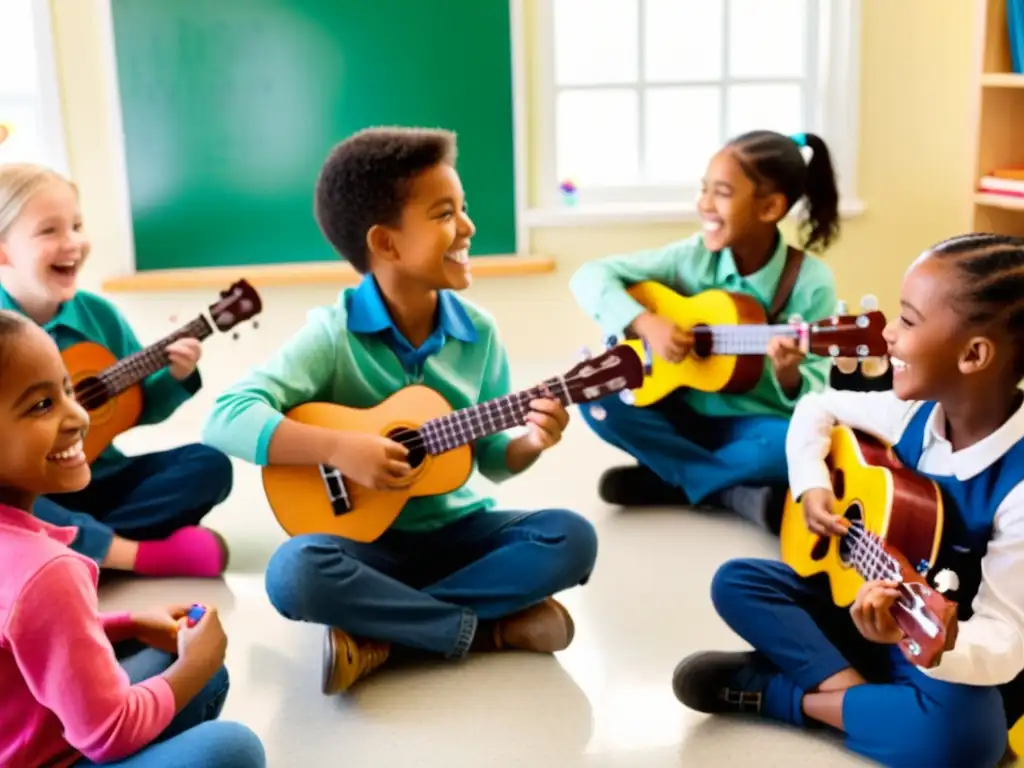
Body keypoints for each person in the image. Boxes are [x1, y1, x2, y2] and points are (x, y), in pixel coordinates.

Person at [202, 126, 599, 694]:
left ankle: (384, 636)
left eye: (463, 208)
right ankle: (486, 630)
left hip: (458, 534)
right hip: (366, 550)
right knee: (294, 572)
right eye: (444, 214)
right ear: (386, 244)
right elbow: (224, 416)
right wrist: (340, 448)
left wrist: (531, 443)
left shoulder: (479, 334)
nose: (468, 227)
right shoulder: (332, 335)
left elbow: (491, 459)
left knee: (570, 537)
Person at [672, 233, 1024, 767]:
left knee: (968, 740)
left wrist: (941, 645)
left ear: (974, 354)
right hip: (864, 610)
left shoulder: (1017, 486)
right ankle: (863, 700)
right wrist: (812, 483)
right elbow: (816, 406)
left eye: (906, 320)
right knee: (738, 582)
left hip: (945, 657)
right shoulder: (912, 414)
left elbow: (1006, 640)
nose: (886, 335)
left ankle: (784, 696)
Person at [0, 310, 264, 767]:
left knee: (180, 671)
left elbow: (22, 636)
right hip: (48, 752)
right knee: (232, 747)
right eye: (42, 405)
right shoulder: (46, 571)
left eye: (66, 389)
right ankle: (145, 554)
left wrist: (127, 623)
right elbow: (108, 735)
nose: (78, 414)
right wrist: (194, 664)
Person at [569, 130, 841, 532]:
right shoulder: (689, 258)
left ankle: (672, 478)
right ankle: (725, 489)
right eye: (704, 190)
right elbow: (589, 276)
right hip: (680, 409)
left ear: (769, 207)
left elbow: (818, 390)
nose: (704, 205)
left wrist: (788, 373)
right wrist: (645, 322)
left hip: (754, 423)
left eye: (722, 192)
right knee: (595, 395)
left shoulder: (809, 281)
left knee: (793, 449)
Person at [0, 163, 232, 578]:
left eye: (76, 224)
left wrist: (174, 378)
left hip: (96, 475)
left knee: (210, 464)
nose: (72, 242)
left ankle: (72, 554)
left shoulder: (100, 317)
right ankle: (135, 556)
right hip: (28, 494)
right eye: (49, 231)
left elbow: (135, 408)